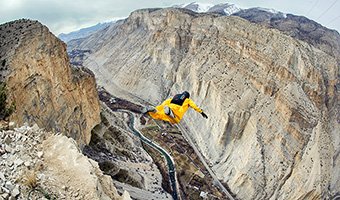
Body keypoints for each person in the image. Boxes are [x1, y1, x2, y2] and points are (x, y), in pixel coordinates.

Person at [143, 91, 208, 124]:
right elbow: (194, 106)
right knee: (176, 120)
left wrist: (158, 108)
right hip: (177, 111)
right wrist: (201, 112)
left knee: (160, 115)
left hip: (170, 106)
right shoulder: (188, 100)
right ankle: (170, 114)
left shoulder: (175, 96)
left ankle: (153, 111)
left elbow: (165, 103)